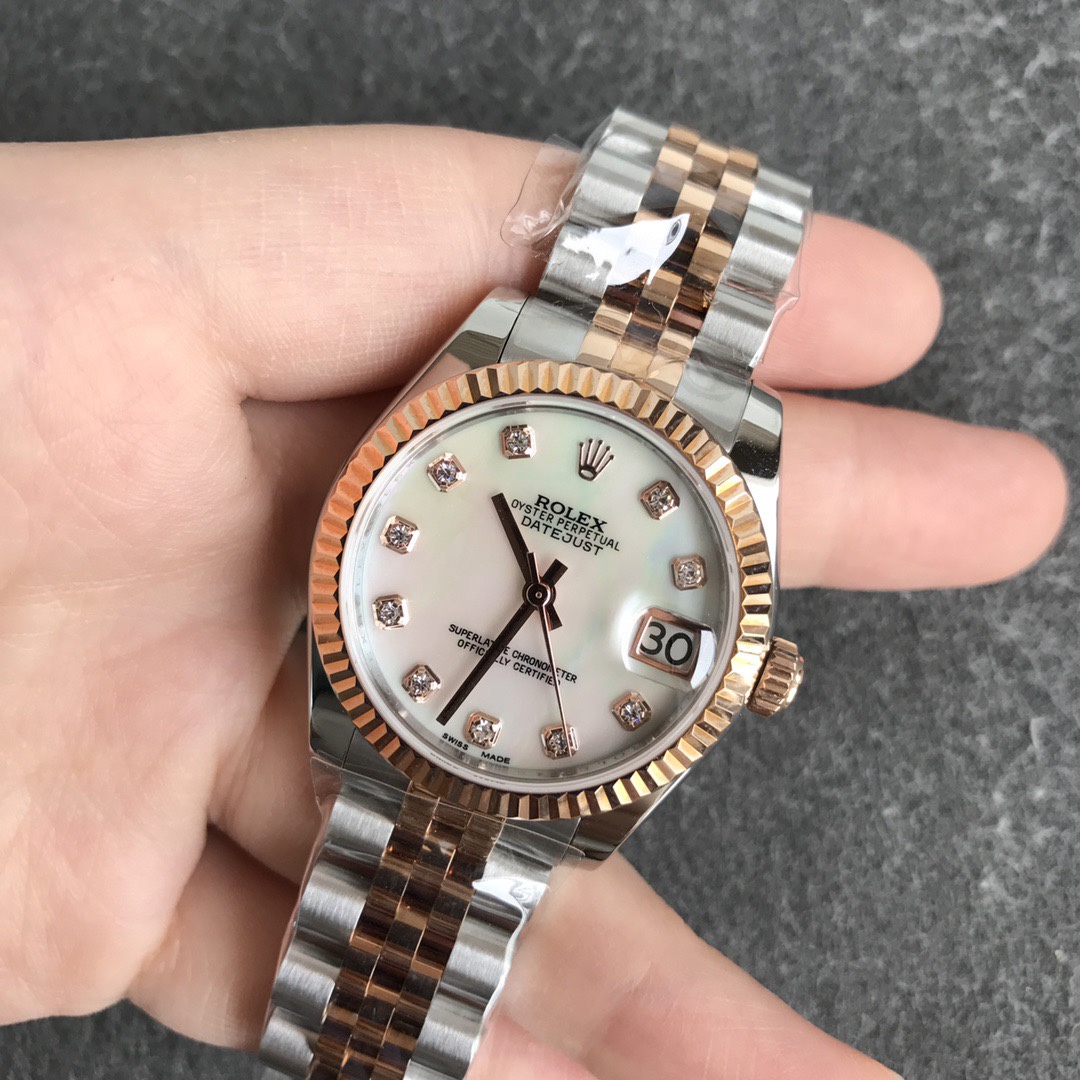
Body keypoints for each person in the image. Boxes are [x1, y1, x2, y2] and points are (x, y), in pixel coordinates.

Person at [0, 124, 1066, 1079]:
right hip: (415, 696)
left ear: (752, 670)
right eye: (537, 576)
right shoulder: (495, 354)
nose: (543, 587)